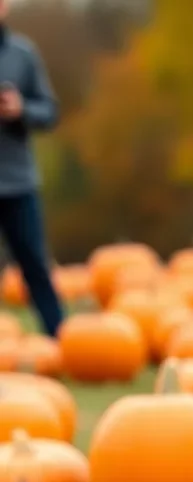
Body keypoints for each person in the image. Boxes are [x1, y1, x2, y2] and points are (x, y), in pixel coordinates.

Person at [0, 0, 62, 337]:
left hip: (17, 181)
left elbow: (50, 111)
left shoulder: (23, 54)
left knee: (35, 266)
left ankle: (59, 340)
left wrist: (20, 109)